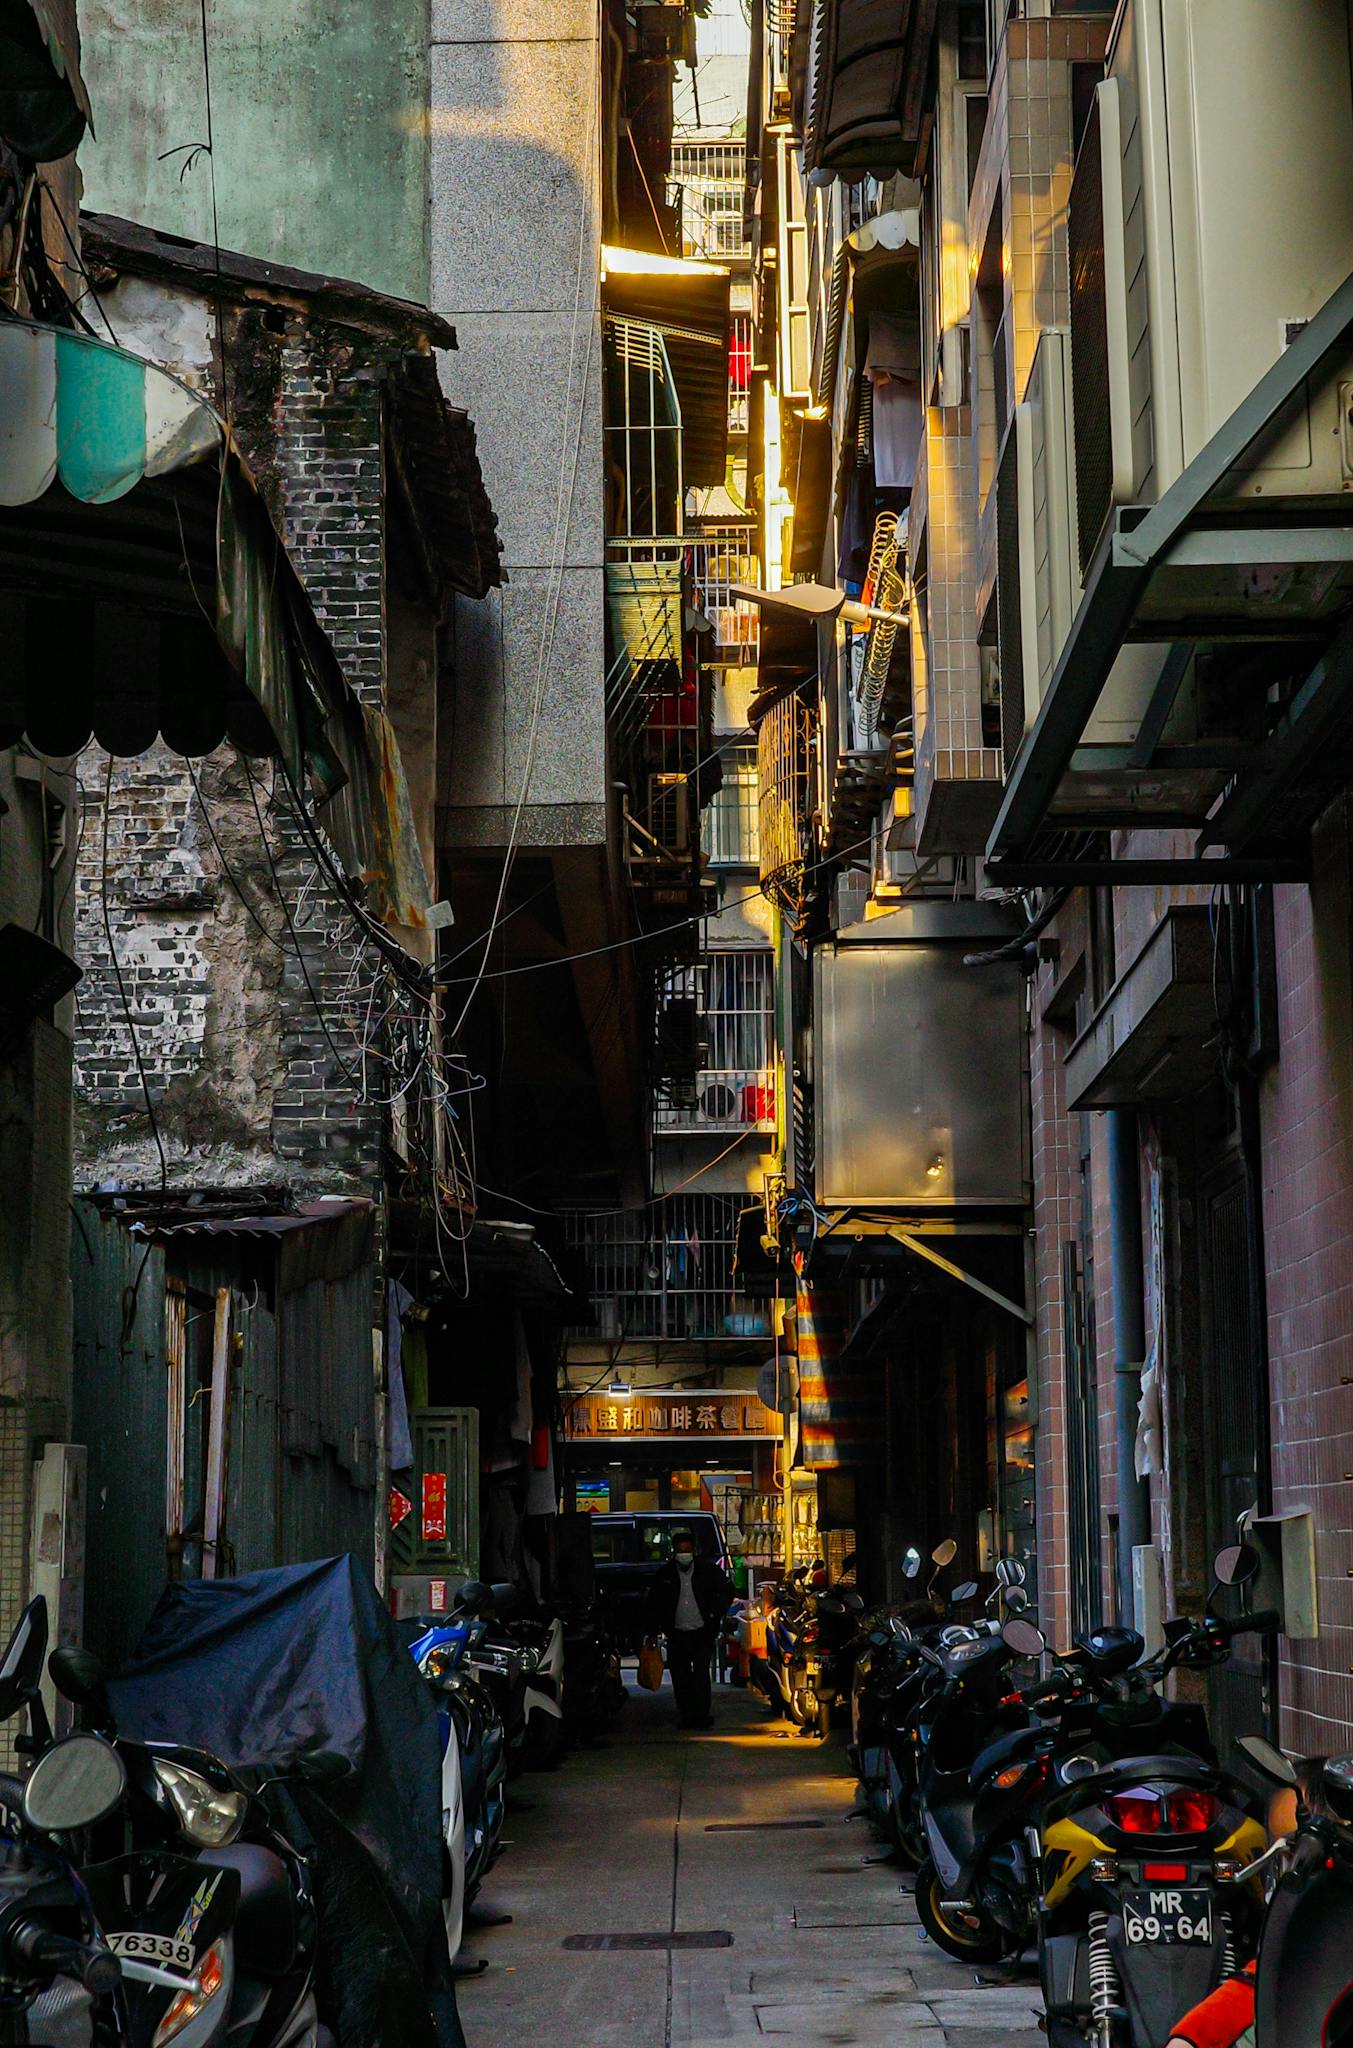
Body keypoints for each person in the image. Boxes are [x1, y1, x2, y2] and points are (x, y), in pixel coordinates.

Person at [643, 1528, 732, 1729]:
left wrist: (713, 1614)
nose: (684, 1553)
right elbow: (654, 1604)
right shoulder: (665, 1574)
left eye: (687, 1549)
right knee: (680, 1676)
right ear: (674, 1551)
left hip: (702, 1631)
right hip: (676, 1633)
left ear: (693, 1550)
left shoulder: (707, 1570)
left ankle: (701, 1715)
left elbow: (726, 1590)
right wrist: (653, 1630)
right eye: (680, 1549)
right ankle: (686, 1714)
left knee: (701, 1675)